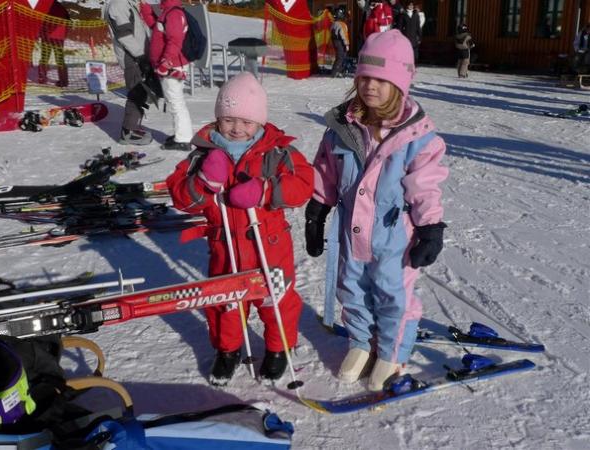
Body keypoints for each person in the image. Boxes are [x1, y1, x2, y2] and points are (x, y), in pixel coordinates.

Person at [305, 30, 448, 391]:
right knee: (351, 289)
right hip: (351, 231)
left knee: (392, 294)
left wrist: (430, 227)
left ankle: (391, 352)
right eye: (365, 77)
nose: (370, 86)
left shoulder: (416, 137)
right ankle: (360, 343)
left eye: (381, 80)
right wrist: (317, 210)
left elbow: (425, 185)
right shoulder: (342, 128)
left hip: (393, 236)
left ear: (400, 83)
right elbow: (326, 171)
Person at [166, 73, 314, 386]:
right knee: (225, 302)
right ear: (218, 119)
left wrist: (265, 190)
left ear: (260, 121)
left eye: (246, 122)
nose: (237, 128)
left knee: (276, 299)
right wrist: (203, 182)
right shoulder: (203, 154)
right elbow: (180, 195)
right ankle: (228, 351)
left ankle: (278, 348)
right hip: (225, 246)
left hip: (270, 247)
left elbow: (303, 183)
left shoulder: (276, 152)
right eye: (229, 120)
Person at [140, 0, 193, 150]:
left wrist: (166, 62)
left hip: (173, 66)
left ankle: (183, 139)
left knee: (176, 102)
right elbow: (156, 28)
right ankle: (181, 134)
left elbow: (175, 41)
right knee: (174, 101)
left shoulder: (174, 13)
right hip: (170, 64)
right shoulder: (168, 12)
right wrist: (145, 9)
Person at [104, 0, 153, 145]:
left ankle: (133, 127)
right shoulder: (118, 5)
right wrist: (140, 55)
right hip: (131, 57)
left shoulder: (127, 4)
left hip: (136, 56)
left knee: (141, 92)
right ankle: (128, 132)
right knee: (136, 92)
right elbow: (124, 35)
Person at [38, 1, 70, 88]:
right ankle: (64, 81)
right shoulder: (61, 7)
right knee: (60, 59)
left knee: (44, 57)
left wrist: (40, 33)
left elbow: (40, 20)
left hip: (47, 34)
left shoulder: (44, 6)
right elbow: (68, 21)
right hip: (59, 35)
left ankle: (42, 78)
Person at [330, 7, 350, 78]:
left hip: (335, 42)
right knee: (341, 57)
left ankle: (338, 70)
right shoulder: (342, 24)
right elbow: (344, 35)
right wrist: (346, 44)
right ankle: (335, 72)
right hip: (340, 42)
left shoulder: (334, 24)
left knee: (339, 57)